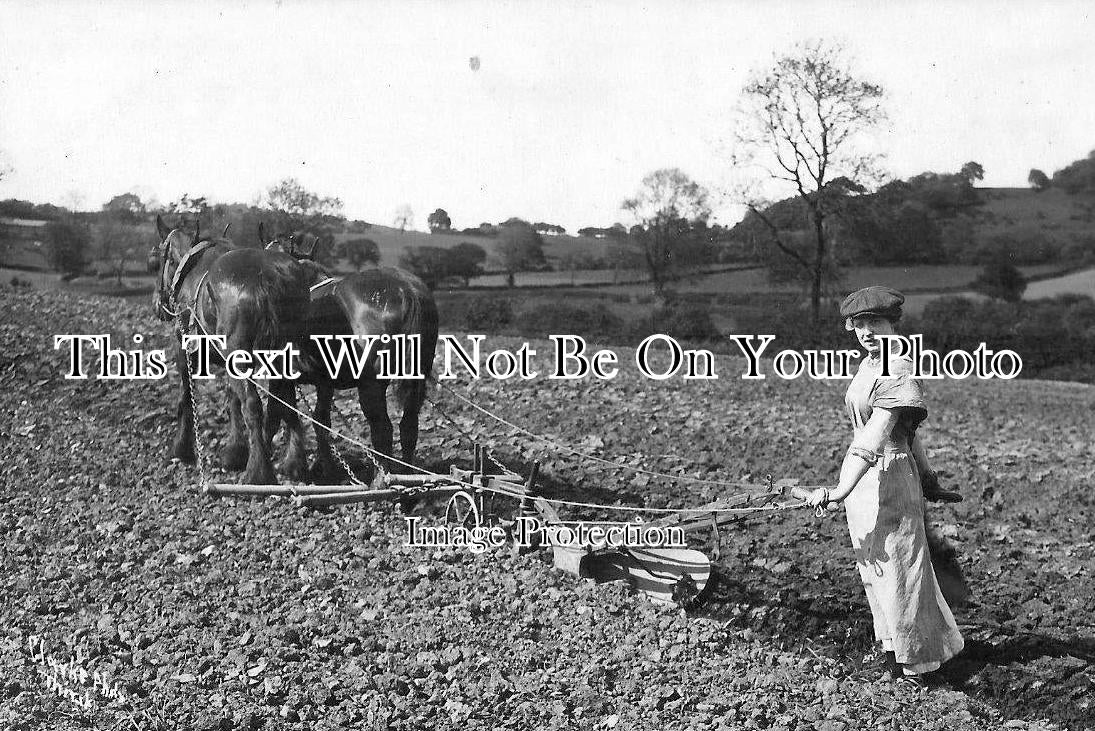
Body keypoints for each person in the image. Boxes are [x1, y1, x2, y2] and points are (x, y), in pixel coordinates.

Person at [806, 286, 964, 686]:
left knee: (901, 572)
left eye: (875, 322)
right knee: (875, 570)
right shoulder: (868, 365)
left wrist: (839, 489)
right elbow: (911, 431)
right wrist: (930, 479)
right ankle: (896, 651)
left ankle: (920, 666)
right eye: (859, 324)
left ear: (892, 323)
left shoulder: (899, 368)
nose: (867, 332)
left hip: (889, 478)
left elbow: (879, 433)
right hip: (863, 482)